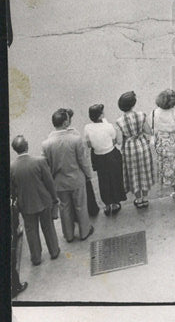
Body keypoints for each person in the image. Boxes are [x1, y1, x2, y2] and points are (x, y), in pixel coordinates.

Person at [41, 108, 94, 243]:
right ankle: (84, 232)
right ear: (65, 123)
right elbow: (82, 160)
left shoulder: (46, 144)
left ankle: (68, 235)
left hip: (59, 182)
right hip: (76, 179)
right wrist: (88, 174)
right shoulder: (75, 140)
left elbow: (46, 165)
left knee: (64, 208)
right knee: (81, 205)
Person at [10, 136, 61, 267]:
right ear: (27, 146)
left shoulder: (12, 167)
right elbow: (49, 182)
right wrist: (54, 198)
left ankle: (36, 257)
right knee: (48, 227)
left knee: (31, 231)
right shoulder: (39, 161)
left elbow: (12, 189)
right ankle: (54, 251)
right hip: (43, 200)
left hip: (25, 204)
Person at [83, 104, 126, 215]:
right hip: (111, 154)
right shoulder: (109, 126)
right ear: (101, 115)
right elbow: (114, 140)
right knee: (114, 179)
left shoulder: (87, 127)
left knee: (103, 180)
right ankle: (115, 202)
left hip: (98, 157)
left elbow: (88, 144)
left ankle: (107, 204)